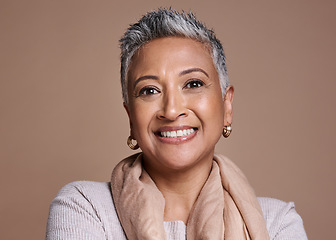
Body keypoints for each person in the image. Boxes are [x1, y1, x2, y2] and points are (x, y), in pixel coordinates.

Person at [46, 9, 307, 239]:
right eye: (149, 90)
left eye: (193, 84)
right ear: (130, 118)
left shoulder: (278, 222)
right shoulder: (84, 206)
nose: (171, 110)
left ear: (227, 106)